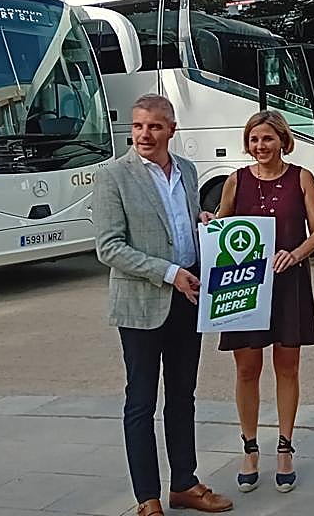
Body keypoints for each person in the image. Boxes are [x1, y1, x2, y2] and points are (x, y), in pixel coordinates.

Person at [93, 94, 232, 516]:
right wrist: (169, 273)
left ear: (172, 129)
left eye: (154, 126)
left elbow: (180, 226)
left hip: (187, 299)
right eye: (137, 126)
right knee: (140, 401)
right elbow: (109, 247)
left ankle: (185, 484)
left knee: (182, 397)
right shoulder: (113, 176)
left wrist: (202, 224)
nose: (144, 134)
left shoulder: (187, 171)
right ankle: (147, 498)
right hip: (142, 304)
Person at [215, 111, 314, 494]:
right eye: (254, 140)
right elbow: (220, 228)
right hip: (245, 285)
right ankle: (249, 448)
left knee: (287, 366)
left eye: (267, 139)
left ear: (283, 140)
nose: (260, 146)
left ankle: (284, 447)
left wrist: (294, 255)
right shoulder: (235, 180)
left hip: (288, 281)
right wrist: (207, 220)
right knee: (246, 368)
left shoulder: (303, 178)